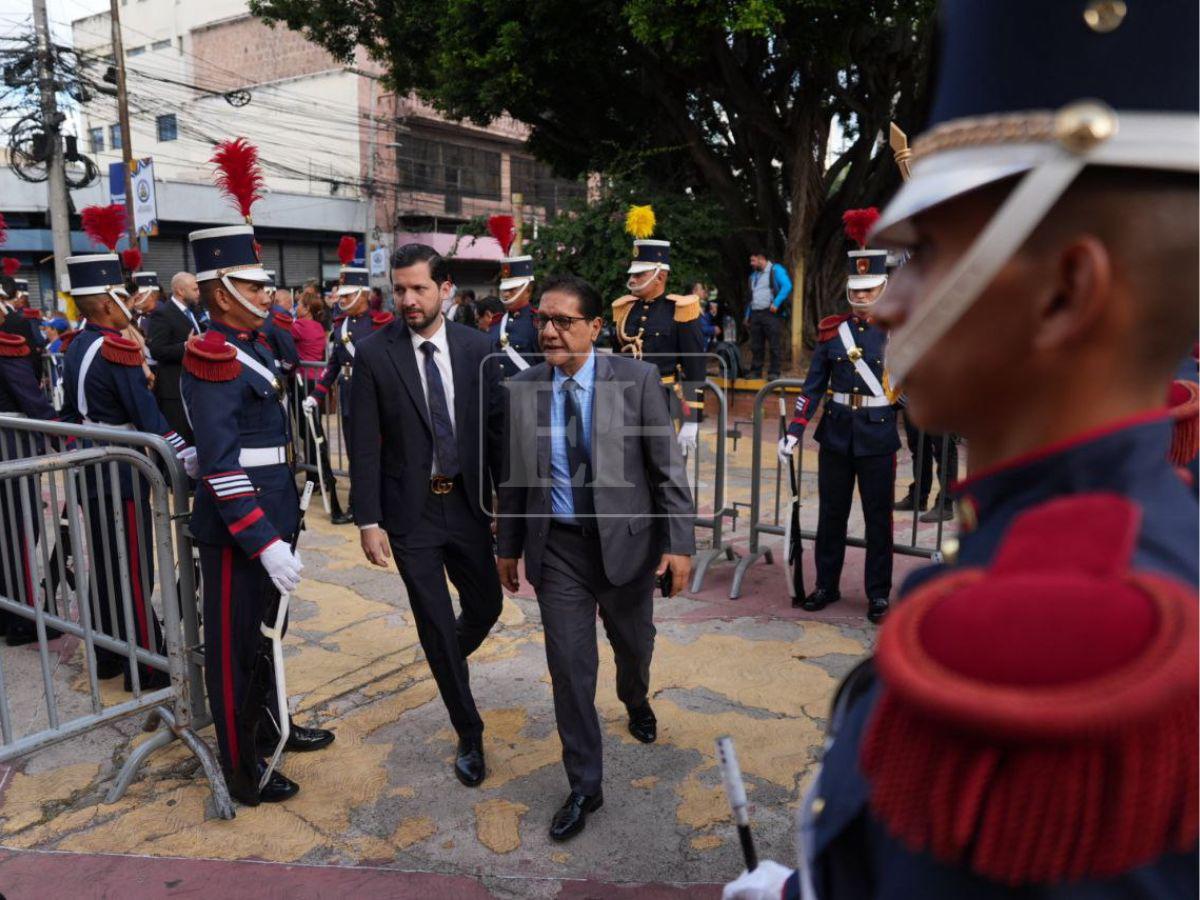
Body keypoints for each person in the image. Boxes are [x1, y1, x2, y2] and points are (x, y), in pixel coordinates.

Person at [728, 2, 1199, 897]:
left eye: (927, 251)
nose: (892, 301)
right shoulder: (1096, 531)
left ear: (1066, 292)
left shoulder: (1064, 633)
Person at [497, 274, 694, 841]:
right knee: (569, 668)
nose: (551, 332)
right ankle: (585, 783)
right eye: (543, 320)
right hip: (557, 550)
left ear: (595, 328)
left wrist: (679, 545)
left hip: (627, 549)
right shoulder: (525, 387)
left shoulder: (636, 381)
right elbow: (515, 481)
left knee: (634, 646)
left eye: (564, 321)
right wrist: (506, 546)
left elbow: (667, 472)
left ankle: (635, 697)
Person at [182, 224, 335, 808]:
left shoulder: (261, 343)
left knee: (269, 636)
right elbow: (220, 466)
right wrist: (262, 541)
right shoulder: (211, 356)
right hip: (239, 528)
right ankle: (244, 771)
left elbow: (297, 355)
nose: (269, 293)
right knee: (233, 648)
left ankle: (274, 729)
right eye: (255, 284)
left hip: (277, 506)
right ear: (222, 291)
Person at [350, 243, 504, 789]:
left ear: (446, 291)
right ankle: (469, 730)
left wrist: (503, 503)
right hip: (409, 515)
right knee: (435, 621)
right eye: (399, 289)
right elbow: (363, 443)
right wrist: (367, 519)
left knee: (487, 605)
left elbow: (497, 431)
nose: (408, 300)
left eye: (418, 288)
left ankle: (444, 659)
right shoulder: (372, 354)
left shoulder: (479, 348)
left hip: (466, 505)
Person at [61, 253, 195, 691]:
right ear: (104, 303)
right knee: (134, 568)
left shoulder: (78, 342)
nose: (130, 305)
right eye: (122, 297)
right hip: (121, 469)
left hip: (89, 466)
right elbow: (148, 416)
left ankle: (107, 654)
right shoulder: (116, 348)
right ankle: (148, 663)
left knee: (104, 565)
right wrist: (186, 457)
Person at [777, 210, 898, 625]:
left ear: (883, 287)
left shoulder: (901, 330)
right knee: (831, 514)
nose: (862, 297)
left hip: (879, 435)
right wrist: (795, 430)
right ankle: (826, 584)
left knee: (878, 519)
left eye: (869, 291)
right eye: (857, 290)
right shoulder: (833, 332)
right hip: (836, 434)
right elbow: (812, 387)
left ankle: (878, 594)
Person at [303, 244, 388, 524]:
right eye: (341, 294)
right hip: (350, 400)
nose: (342, 299)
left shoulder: (380, 324)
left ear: (363, 294)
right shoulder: (341, 325)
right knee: (355, 456)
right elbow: (334, 366)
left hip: (377, 400)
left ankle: (380, 503)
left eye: (348, 294)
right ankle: (359, 503)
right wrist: (316, 395)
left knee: (377, 454)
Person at [612, 207, 707, 457]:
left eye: (639, 274)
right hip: (627, 402)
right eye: (632, 274)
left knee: (666, 474)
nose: (632, 279)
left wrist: (692, 418)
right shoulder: (625, 309)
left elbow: (694, 365)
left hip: (664, 401)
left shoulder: (681, 309)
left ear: (660, 276)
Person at [0, 303, 59, 644]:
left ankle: (8, 612)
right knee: (20, 532)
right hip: (11, 444)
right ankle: (22, 618)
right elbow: (31, 400)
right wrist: (61, 435)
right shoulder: (7, 343)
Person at [293, 287, 344, 521]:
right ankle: (320, 475)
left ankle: (318, 476)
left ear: (307, 309)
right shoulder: (317, 326)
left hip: (305, 382)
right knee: (315, 432)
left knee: (311, 433)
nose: (296, 307)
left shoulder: (301, 325)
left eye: (299, 304)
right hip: (315, 381)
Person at [145, 271, 203, 444]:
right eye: (194, 289)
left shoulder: (193, 311)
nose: (199, 292)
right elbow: (157, 350)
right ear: (180, 291)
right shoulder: (163, 313)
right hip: (173, 390)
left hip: (193, 386)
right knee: (181, 440)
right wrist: (187, 345)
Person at [743, 250, 792, 380]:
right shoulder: (753, 276)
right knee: (756, 344)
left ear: (761, 259)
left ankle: (774, 371)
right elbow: (751, 297)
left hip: (770, 313)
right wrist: (747, 315)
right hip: (755, 313)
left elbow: (787, 286)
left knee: (774, 343)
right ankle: (756, 371)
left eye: (753, 260)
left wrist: (776, 303)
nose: (752, 264)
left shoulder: (775, 270)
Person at [489, 255, 540, 377]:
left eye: (512, 289)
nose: (506, 294)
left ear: (528, 290)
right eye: (504, 289)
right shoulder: (496, 322)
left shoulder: (538, 322)